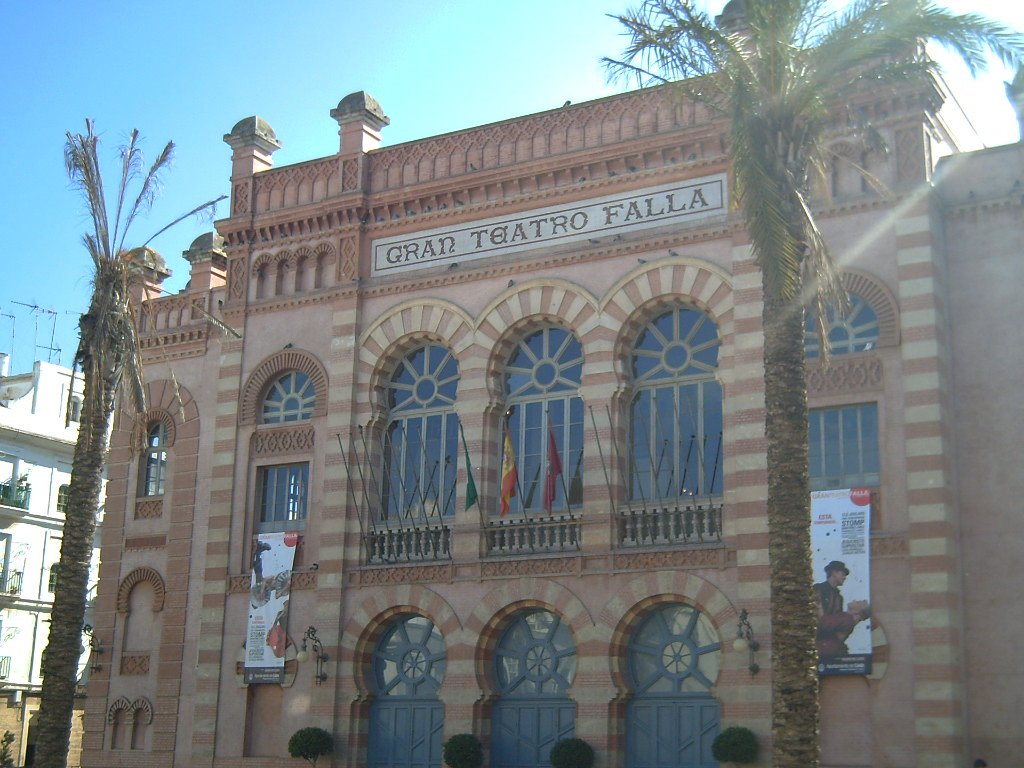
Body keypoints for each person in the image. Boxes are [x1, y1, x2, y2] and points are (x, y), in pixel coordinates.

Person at [813, 560, 870, 657]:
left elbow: (837, 622)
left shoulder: (839, 597)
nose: (844, 577)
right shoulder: (818, 588)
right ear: (834, 573)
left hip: (825, 642)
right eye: (842, 574)